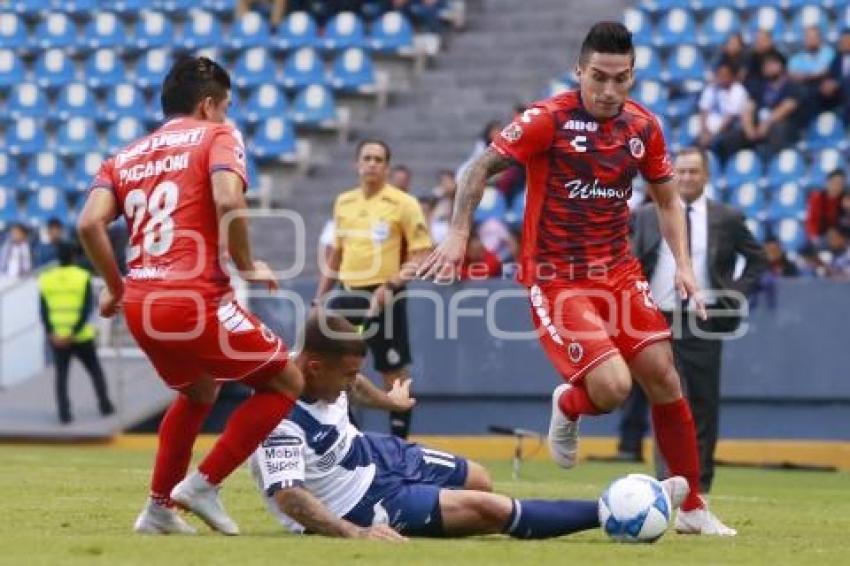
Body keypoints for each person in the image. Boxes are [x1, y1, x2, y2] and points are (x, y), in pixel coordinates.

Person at [419, 21, 735, 535]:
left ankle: (694, 508)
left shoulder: (643, 128)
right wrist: (457, 233)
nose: (609, 91)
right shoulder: (548, 119)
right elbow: (478, 169)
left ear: (632, 77)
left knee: (664, 375)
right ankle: (568, 403)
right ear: (579, 72)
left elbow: (667, 198)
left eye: (621, 79)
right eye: (599, 78)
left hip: (617, 270)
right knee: (612, 389)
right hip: (556, 278)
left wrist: (682, 265)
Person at [76, 56, 304, 536]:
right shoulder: (218, 135)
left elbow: (88, 223)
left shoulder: (125, 156)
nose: (225, 115)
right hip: (193, 297)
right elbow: (227, 199)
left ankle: (158, 508)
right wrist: (247, 264)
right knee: (286, 380)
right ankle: (203, 484)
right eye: (223, 106)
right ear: (207, 105)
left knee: (198, 390)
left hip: (141, 302)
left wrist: (116, 289)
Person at [251, 312, 690, 539]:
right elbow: (290, 496)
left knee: (481, 479)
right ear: (311, 368)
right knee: (489, 511)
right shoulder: (276, 419)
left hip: (377, 453)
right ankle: (624, 508)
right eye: (344, 375)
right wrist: (355, 533)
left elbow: (357, 383)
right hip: (362, 503)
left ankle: (461, 512)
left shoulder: (317, 365)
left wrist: (389, 401)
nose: (350, 382)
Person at [622, 147, 767, 493]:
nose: (686, 178)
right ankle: (667, 481)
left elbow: (757, 259)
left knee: (702, 402)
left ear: (706, 176)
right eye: (681, 171)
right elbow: (627, 259)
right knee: (664, 399)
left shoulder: (727, 217)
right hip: (656, 318)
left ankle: (699, 484)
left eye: (693, 172)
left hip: (704, 318)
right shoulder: (645, 215)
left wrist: (732, 295)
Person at [314, 140, 433, 439]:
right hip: (348, 293)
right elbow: (336, 254)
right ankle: (349, 437)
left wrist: (391, 284)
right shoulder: (344, 202)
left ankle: (398, 444)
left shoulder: (404, 204)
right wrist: (320, 296)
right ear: (357, 164)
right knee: (337, 368)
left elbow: (420, 255)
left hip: (387, 295)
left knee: (392, 371)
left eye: (379, 159)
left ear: (387, 167)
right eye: (366, 158)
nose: (372, 164)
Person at [38, 241, 115, 424]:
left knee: (61, 377)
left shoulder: (45, 278)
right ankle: (105, 406)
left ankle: (64, 415)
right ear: (74, 257)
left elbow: (43, 310)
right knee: (95, 371)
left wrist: (51, 333)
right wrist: (73, 332)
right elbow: (86, 308)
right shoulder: (82, 277)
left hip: (57, 336)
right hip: (80, 335)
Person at [697, 62, 749, 153]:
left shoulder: (739, 90)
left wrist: (712, 136)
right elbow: (703, 110)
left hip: (728, 129)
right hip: (709, 130)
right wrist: (704, 131)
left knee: (725, 140)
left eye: (725, 75)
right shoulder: (711, 88)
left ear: (732, 76)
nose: (722, 78)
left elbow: (730, 118)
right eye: (720, 75)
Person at [806, 169, 847, 248]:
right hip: (821, 237)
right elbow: (812, 221)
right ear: (827, 182)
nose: (837, 186)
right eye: (834, 183)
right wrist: (815, 238)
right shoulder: (817, 198)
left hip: (841, 237)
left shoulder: (845, 200)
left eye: (840, 184)